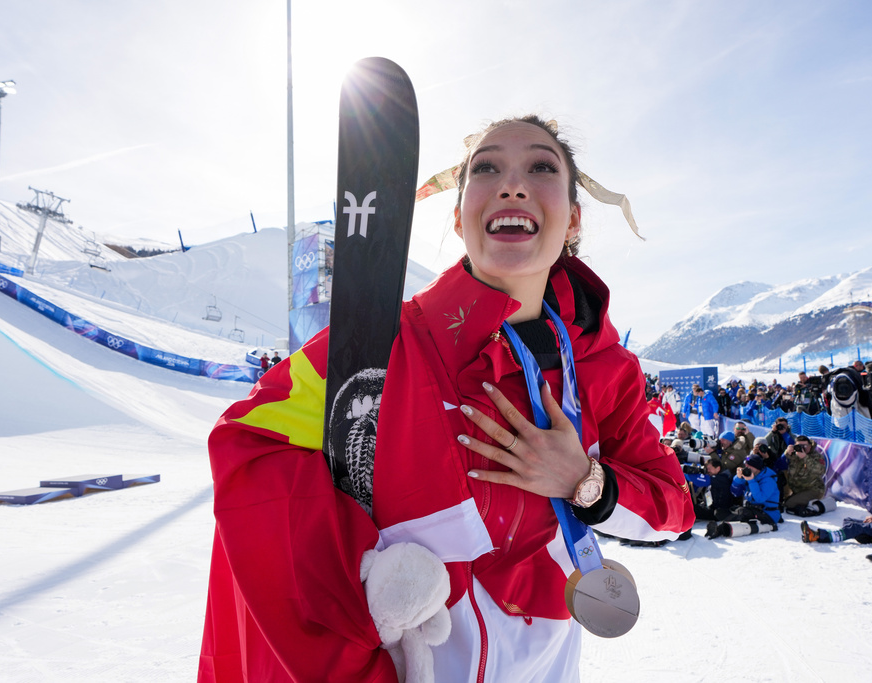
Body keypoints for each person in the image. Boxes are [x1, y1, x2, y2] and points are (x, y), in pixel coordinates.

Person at [198, 115, 694, 682]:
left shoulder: (604, 368)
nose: (512, 184)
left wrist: (585, 482)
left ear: (574, 216)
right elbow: (248, 446)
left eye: (540, 166)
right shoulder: (382, 343)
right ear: (458, 218)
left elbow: (673, 509)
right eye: (486, 168)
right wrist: (356, 570)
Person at [705, 453, 781, 538]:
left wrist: (751, 481)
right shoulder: (750, 476)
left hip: (768, 514)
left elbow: (759, 498)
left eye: (749, 466)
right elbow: (735, 493)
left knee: (742, 513)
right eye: (745, 466)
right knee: (720, 512)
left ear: (757, 467)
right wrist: (738, 478)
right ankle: (727, 524)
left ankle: (720, 529)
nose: (746, 468)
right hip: (752, 510)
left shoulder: (768, 480)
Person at [779, 435, 828, 514]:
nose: (802, 448)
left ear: (810, 445)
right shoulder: (794, 455)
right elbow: (779, 464)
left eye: (805, 446)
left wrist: (805, 457)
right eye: (799, 446)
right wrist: (786, 453)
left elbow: (821, 470)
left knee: (789, 504)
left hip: (813, 490)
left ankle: (815, 504)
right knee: (783, 501)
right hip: (797, 490)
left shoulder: (817, 456)